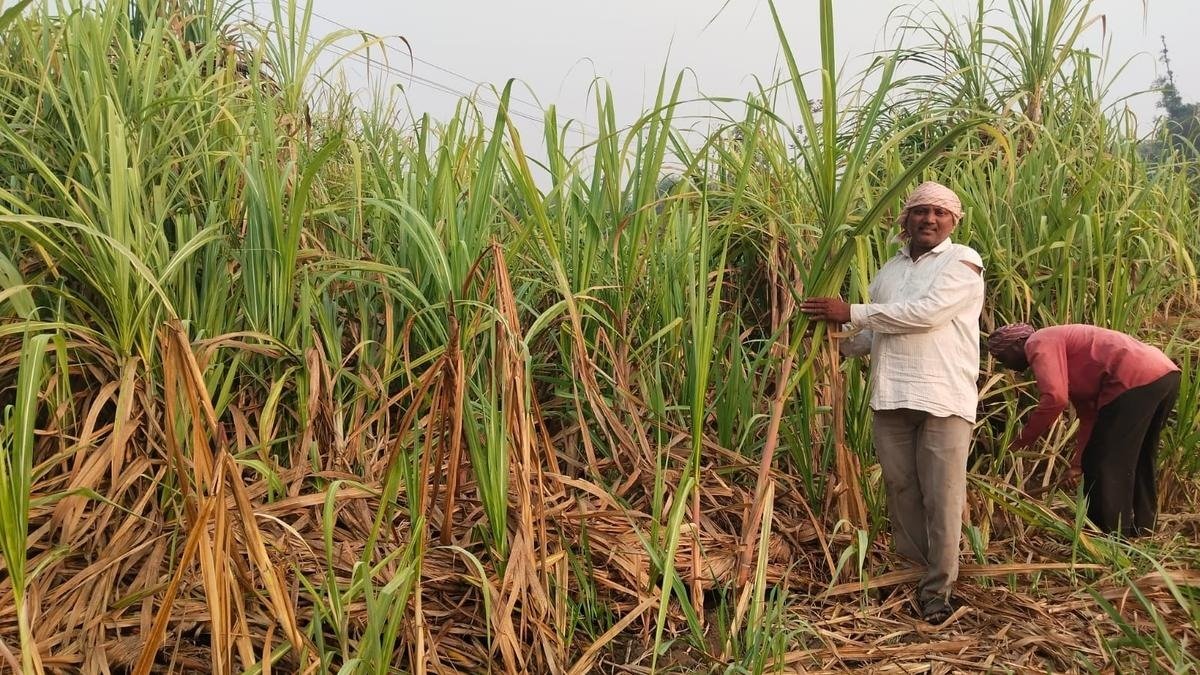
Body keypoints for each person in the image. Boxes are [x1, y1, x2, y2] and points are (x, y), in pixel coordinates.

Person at [800, 181, 984, 624]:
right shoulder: (889, 270)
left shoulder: (963, 261)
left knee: (941, 497)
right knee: (902, 492)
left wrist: (851, 311)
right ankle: (911, 576)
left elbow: (927, 314)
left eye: (940, 212)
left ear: (954, 222)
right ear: (906, 218)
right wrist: (833, 342)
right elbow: (877, 331)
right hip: (892, 395)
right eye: (921, 211)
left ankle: (937, 593)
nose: (930, 219)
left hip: (943, 397)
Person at [986, 323, 1181, 536]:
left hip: (1134, 376)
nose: (1006, 366)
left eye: (1002, 357)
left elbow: (1055, 399)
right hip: (1164, 375)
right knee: (1140, 456)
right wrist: (1077, 465)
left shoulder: (1038, 341)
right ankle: (1144, 529)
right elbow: (1089, 418)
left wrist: (1020, 441)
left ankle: (1110, 534)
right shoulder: (1069, 362)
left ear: (1016, 344)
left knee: (1104, 461)